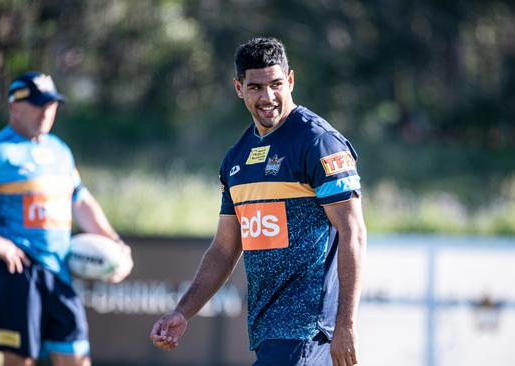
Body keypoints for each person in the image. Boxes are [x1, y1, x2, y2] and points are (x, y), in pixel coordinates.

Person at [149, 37, 367, 366]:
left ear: (290, 80)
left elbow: (354, 233)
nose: (267, 97)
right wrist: (183, 311)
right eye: (255, 87)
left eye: (276, 84)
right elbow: (224, 247)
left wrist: (345, 326)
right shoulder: (237, 158)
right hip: (269, 331)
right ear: (239, 88)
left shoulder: (318, 143)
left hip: (308, 329)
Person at [0, 71, 132, 366]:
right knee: (20, 361)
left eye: (51, 103)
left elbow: (80, 201)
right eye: (38, 103)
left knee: (77, 358)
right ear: (14, 107)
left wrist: (114, 242)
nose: (46, 111)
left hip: (60, 269)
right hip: (16, 271)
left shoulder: (60, 150)